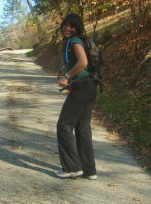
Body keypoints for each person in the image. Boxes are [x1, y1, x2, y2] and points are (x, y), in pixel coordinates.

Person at [55, 13, 97, 180]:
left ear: (77, 28)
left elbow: (83, 62)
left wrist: (67, 76)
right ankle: (89, 170)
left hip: (82, 86)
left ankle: (72, 167)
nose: (68, 28)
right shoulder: (72, 42)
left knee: (64, 124)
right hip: (88, 86)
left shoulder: (75, 41)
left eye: (72, 26)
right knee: (83, 128)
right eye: (66, 25)